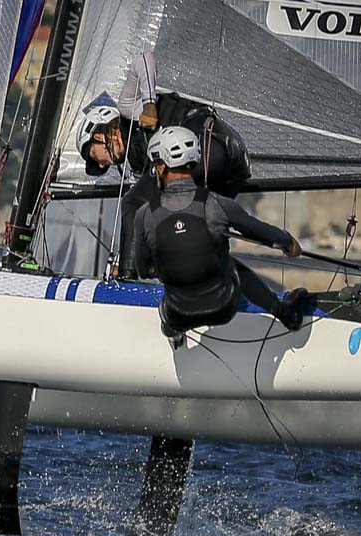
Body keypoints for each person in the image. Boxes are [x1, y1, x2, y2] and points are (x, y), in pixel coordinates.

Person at [76, 50, 252, 277]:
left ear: (99, 133)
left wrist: (149, 104)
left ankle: (128, 277)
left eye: (93, 156)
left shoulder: (128, 109)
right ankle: (242, 289)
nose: (101, 165)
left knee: (133, 202)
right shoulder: (141, 169)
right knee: (196, 239)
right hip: (232, 167)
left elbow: (143, 58)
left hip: (210, 144)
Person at [133, 126, 309, 346]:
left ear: (162, 165)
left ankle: (173, 332)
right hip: (223, 308)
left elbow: (143, 269)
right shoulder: (215, 203)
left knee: (173, 292)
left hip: (178, 314)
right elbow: (258, 230)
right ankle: (287, 315)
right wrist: (288, 242)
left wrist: (173, 262)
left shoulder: (144, 215)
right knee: (229, 263)